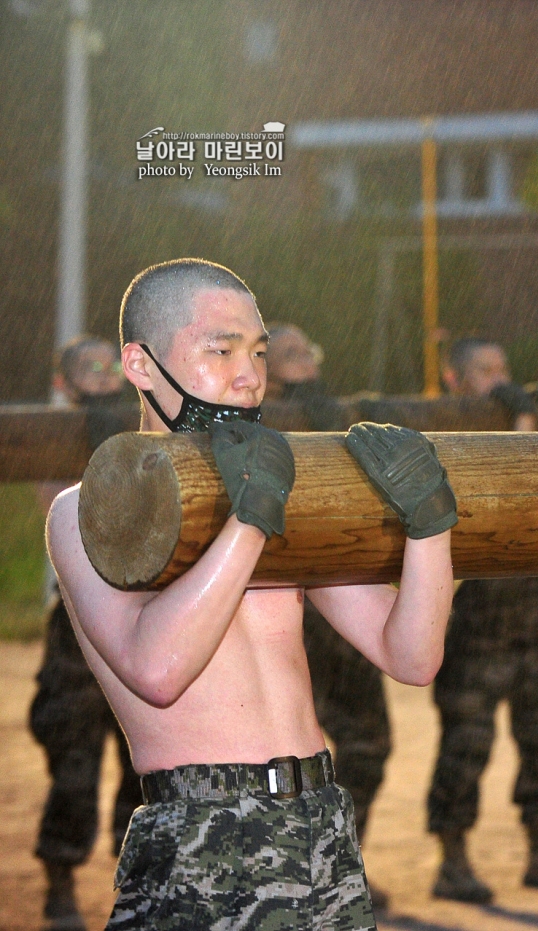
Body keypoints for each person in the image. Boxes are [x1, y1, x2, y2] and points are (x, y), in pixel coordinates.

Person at [46, 258, 458, 929]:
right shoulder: (88, 509)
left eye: (259, 351)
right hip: (202, 837)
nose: (251, 375)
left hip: (322, 821)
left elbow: (411, 656)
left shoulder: (285, 489)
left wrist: (430, 528)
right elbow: (158, 669)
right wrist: (251, 518)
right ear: (141, 366)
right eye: (221, 349)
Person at [428, 336, 538, 903]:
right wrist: (519, 417)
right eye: (484, 371)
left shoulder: (522, 419)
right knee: (465, 746)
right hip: (478, 623)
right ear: (456, 382)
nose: (498, 377)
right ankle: (453, 860)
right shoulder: (453, 437)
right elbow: (509, 483)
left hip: (530, 619)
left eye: (503, 367)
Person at [265, 322, 394, 912]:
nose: (307, 363)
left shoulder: (334, 414)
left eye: (307, 351)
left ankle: (339, 863)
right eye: (289, 355)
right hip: (278, 616)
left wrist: (344, 417)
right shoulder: (241, 425)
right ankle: (284, 875)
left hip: (342, 602)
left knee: (367, 744)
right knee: (278, 760)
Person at [30, 336, 142, 931]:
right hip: (79, 620)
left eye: (110, 366)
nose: (102, 377)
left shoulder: (143, 428)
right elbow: (69, 510)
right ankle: (60, 880)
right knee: (73, 764)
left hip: (141, 615)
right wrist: (91, 434)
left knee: (142, 765)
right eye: (87, 368)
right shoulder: (53, 434)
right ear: (66, 380)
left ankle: (138, 885)